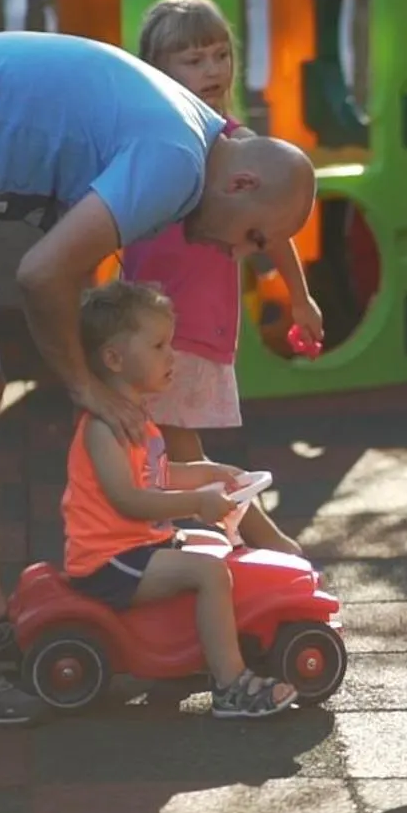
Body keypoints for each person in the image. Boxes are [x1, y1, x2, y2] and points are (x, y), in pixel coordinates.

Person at [0, 30, 316, 727]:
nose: (239, 253)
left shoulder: (205, 133)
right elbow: (43, 272)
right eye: (254, 238)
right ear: (238, 184)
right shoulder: (176, 160)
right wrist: (84, 384)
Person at [122, 0, 321, 555]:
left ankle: (265, 538)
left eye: (220, 54)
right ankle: (180, 534)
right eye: (193, 58)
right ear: (156, 69)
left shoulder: (236, 149)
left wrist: (300, 296)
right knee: (150, 445)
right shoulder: (150, 141)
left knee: (176, 448)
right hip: (146, 322)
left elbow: (273, 226)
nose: (212, 69)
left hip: (187, 328)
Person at [62, 280, 297, 718]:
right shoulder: (103, 427)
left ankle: (203, 646)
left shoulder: (136, 418)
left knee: (214, 550)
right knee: (209, 573)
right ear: (114, 358)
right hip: (109, 560)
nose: (171, 355)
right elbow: (129, 500)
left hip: (136, 548)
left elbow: (159, 475)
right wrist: (195, 506)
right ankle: (231, 685)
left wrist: (213, 473)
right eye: (158, 345)